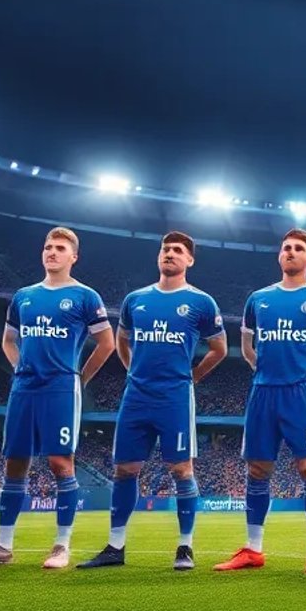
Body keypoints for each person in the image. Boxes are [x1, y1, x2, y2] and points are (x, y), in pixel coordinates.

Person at [0, 227, 114, 569]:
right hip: (24, 388)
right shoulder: (23, 296)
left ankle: (61, 546)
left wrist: (80, 378)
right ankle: (2, 545)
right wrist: (19, 368)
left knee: (61, 463)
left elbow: (107, 344)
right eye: (47, 247)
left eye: (60, 248)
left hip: (61, 388)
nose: (52, 252)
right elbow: (8, 340)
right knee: (15, 463)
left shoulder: (85, 296)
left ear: (73, 257)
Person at [79, 231, 227, 571]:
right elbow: (121, 341)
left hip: (175, 396)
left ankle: (185, 547)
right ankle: (115, 546)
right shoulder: (136, 300)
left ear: (189, 260)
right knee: (124, 469)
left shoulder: (201, 302)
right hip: (136, 395)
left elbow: (219, 348)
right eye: (165, 249)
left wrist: (193, 376)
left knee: (181, 469)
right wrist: (134, 371)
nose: (170, 254)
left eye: (177, 251)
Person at [214, 228, 306, 575]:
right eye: (286, 247)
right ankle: (253, 550)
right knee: (257, 470)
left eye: (299, 248)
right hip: (263, 393)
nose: (291, 251)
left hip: (301, 394)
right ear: (279, 255)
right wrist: (260, 370)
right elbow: (246, 345)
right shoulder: (258, 299)